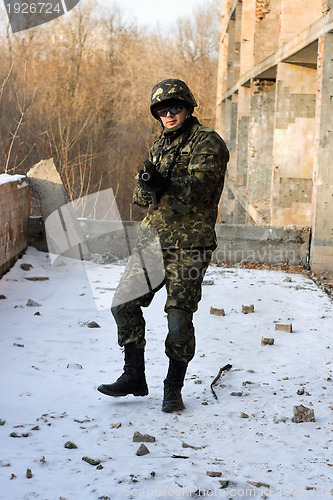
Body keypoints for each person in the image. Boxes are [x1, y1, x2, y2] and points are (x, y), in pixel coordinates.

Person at [97, 78, 229, 412]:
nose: (168, 115)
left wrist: (164, 183)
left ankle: (173, 387)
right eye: (162, 110)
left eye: (175, 108)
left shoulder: (207, 141)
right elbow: (141, 197)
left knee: (178, 317)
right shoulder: (160, 145)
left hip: (189, 245)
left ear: (188, 107)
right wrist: (148, 184)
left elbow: (201, 186)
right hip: (153, 240)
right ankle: (134, 376)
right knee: (123, 304)